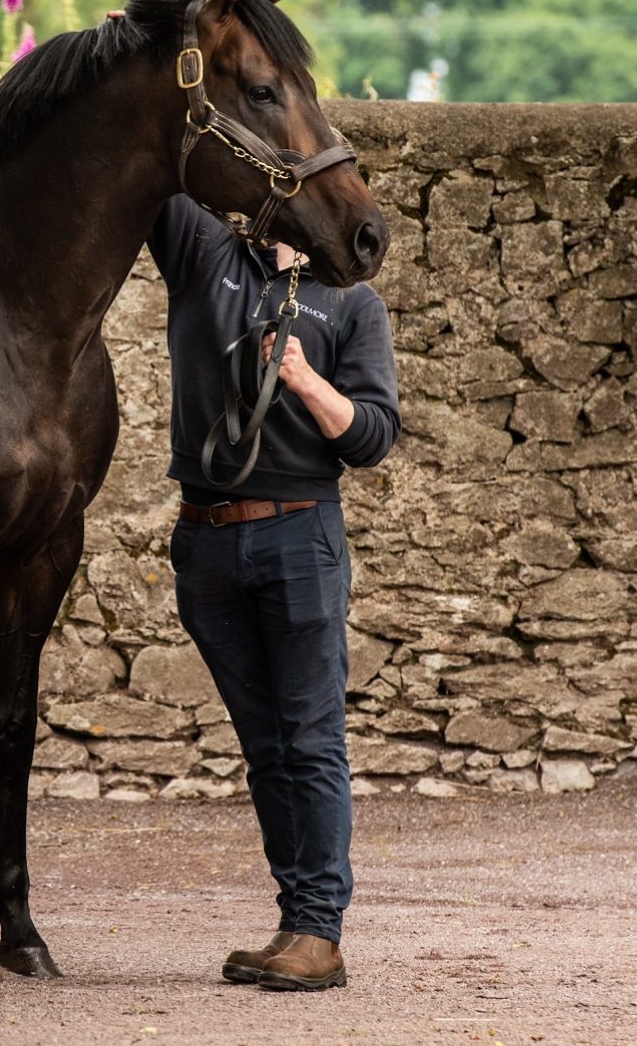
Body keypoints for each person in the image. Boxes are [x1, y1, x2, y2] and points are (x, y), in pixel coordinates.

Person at [147, 194, 400, 992]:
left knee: (311, 737)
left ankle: (320, 932)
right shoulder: (202, 254)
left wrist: (303, 379)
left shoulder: (350, 302)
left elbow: (372, 435)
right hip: (208, 535)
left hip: (301, 530)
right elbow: (157, 152)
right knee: (265, 747)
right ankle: (294, 921)